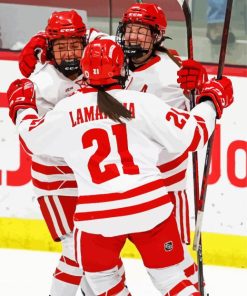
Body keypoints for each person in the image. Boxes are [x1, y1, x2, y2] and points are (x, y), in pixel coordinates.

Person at [7, 39, 233, 295]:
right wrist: (211, 101)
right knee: (172, 279)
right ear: (122, 68)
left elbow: (32, 140)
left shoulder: (67, 110)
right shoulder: (142, 103)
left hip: (96, 221)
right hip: (151, 210)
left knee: (106, 286)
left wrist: (22, 108)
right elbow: (193, 135)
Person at [17, 9, 110, 296]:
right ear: (48, 50)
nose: (69, 54)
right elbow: (38, 142)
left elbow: (110, 41)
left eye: (74, 45)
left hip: (86, 175)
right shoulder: (43, 84)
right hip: (55, 176)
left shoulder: (94, 49)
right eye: (60, 47)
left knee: (94, 246)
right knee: (75, 249)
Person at [116, 2, 209, 287]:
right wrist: (44, 48)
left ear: (157, 37)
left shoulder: (173, 73)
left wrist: (202, 89)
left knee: (175, 262)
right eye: (129, 30)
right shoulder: (110, 60)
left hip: (166, 183)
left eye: (141, 32)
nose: (133, 37)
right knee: (99, 259)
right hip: (118, 183)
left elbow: (195, 120)